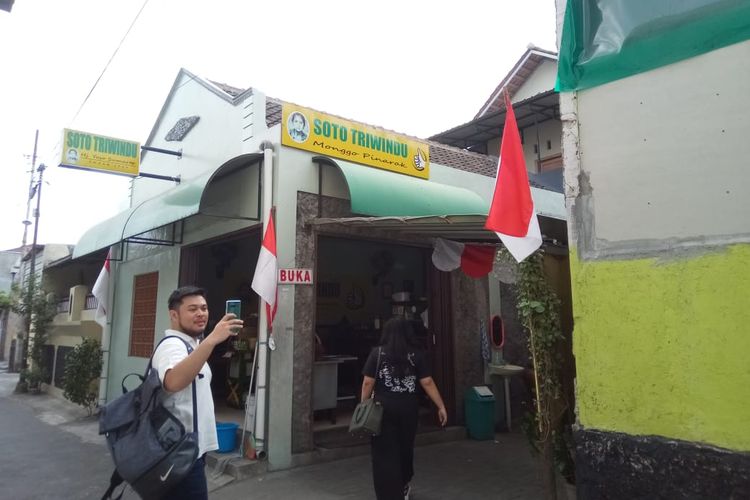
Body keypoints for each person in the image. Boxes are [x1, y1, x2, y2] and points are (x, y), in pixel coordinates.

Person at [151, 286, 243, 500]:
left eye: (204, 308)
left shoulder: (191, 345)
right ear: (174, 315)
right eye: (192, 309)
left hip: (190, 451)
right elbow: (172, 382)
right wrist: (212, 339)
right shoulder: (173, 346)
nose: (201, 313)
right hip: (177, 452)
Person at [361, 317, 448, 500]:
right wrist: (440, 406)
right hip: (408, 408)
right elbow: (428, 382)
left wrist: (363, 405)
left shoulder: (377, 354)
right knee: (405, 447)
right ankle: (404, 486)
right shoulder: (417, 355)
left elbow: (368, 382)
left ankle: (387, 493)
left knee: (383, 450)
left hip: (382, 409)